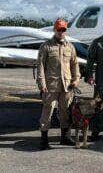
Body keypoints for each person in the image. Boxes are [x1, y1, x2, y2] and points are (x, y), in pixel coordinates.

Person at [37, 18, 80, 150]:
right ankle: (44, 139)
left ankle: (64, 137)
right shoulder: (46, 46)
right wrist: (42, 83)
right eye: (59, 29)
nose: (61, 32)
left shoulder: (70, 47)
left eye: (63, 29)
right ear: (54, 29)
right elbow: (40, 66)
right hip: (51, 85)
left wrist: (76, 79)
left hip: (66, 85)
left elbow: (74, 64)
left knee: (65, 111)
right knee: (48, 109)